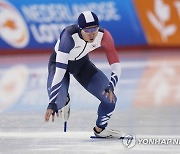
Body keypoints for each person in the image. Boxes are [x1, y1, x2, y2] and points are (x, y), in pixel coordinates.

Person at [45, 11, 121, 137]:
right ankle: (64, 100)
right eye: (87, 30)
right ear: (80, 30)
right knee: (58, 102)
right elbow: (60, 72)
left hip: (82, 66)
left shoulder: (104, 36)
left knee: (110, 101)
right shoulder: (68, 36)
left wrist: (111, 86)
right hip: (58, 65)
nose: (92, 34)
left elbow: (116, 65)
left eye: (94, 29)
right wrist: (52, 102)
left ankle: (100, 130)